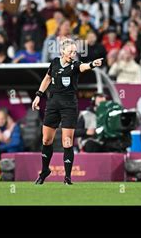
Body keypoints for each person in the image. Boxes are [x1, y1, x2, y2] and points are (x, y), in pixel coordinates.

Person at [31, 38, 103, 185]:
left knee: (67, 141)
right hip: (52, 104)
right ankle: (45, 171)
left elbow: (83, 67)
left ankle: (67, 177)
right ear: (62, 51)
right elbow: (47, 78)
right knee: (46, 140)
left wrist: (92, 64)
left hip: (69, 105)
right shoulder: (55, 63)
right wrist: (38, 95)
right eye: (70, 51)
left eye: (75, 51)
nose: (73, 54)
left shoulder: (75, 65)